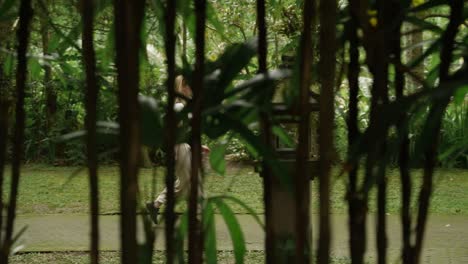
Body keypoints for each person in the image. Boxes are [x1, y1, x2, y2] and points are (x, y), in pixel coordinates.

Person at [146, 75, 209, 224]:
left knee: (182, 183)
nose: (191, 89)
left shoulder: (183, 107)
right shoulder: (179, 107)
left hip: (182, 148)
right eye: (188, 86)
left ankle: (154, 205)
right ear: (182, 87)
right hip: (180, 149)